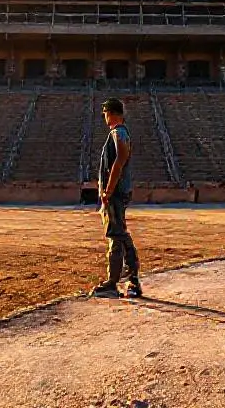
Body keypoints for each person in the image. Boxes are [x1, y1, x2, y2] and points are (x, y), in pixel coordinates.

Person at [88, 97, 142, 299]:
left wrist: (108, 191)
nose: (104, 117)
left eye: (105, 114)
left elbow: (121, 157)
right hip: (120, 191)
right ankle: (119, 281)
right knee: (117, 234)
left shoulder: (118, 132)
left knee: (117, 233)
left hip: (116, 193)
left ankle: (128, 279)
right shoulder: (121, 132)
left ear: (111, 113)